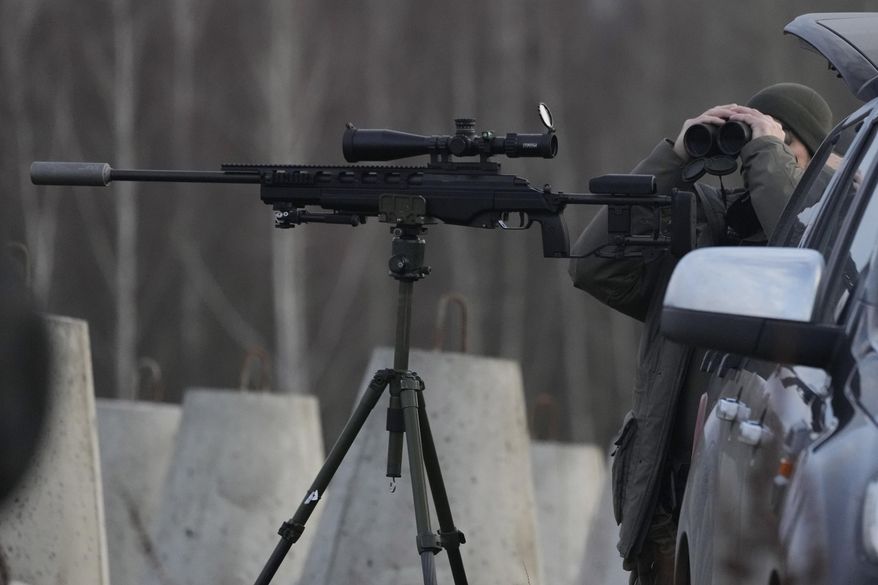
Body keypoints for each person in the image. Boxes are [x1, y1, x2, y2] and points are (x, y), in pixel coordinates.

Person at [568, 83, 833, 585]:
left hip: (754, 519)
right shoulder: (701, 229)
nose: (757, 155)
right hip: (670, 510)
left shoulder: (828, 240)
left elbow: (798, 242)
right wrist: (673, 158)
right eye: (746, 142)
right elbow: (593, 267)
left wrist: (767, 157)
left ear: (818, 161)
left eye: (781, 144)